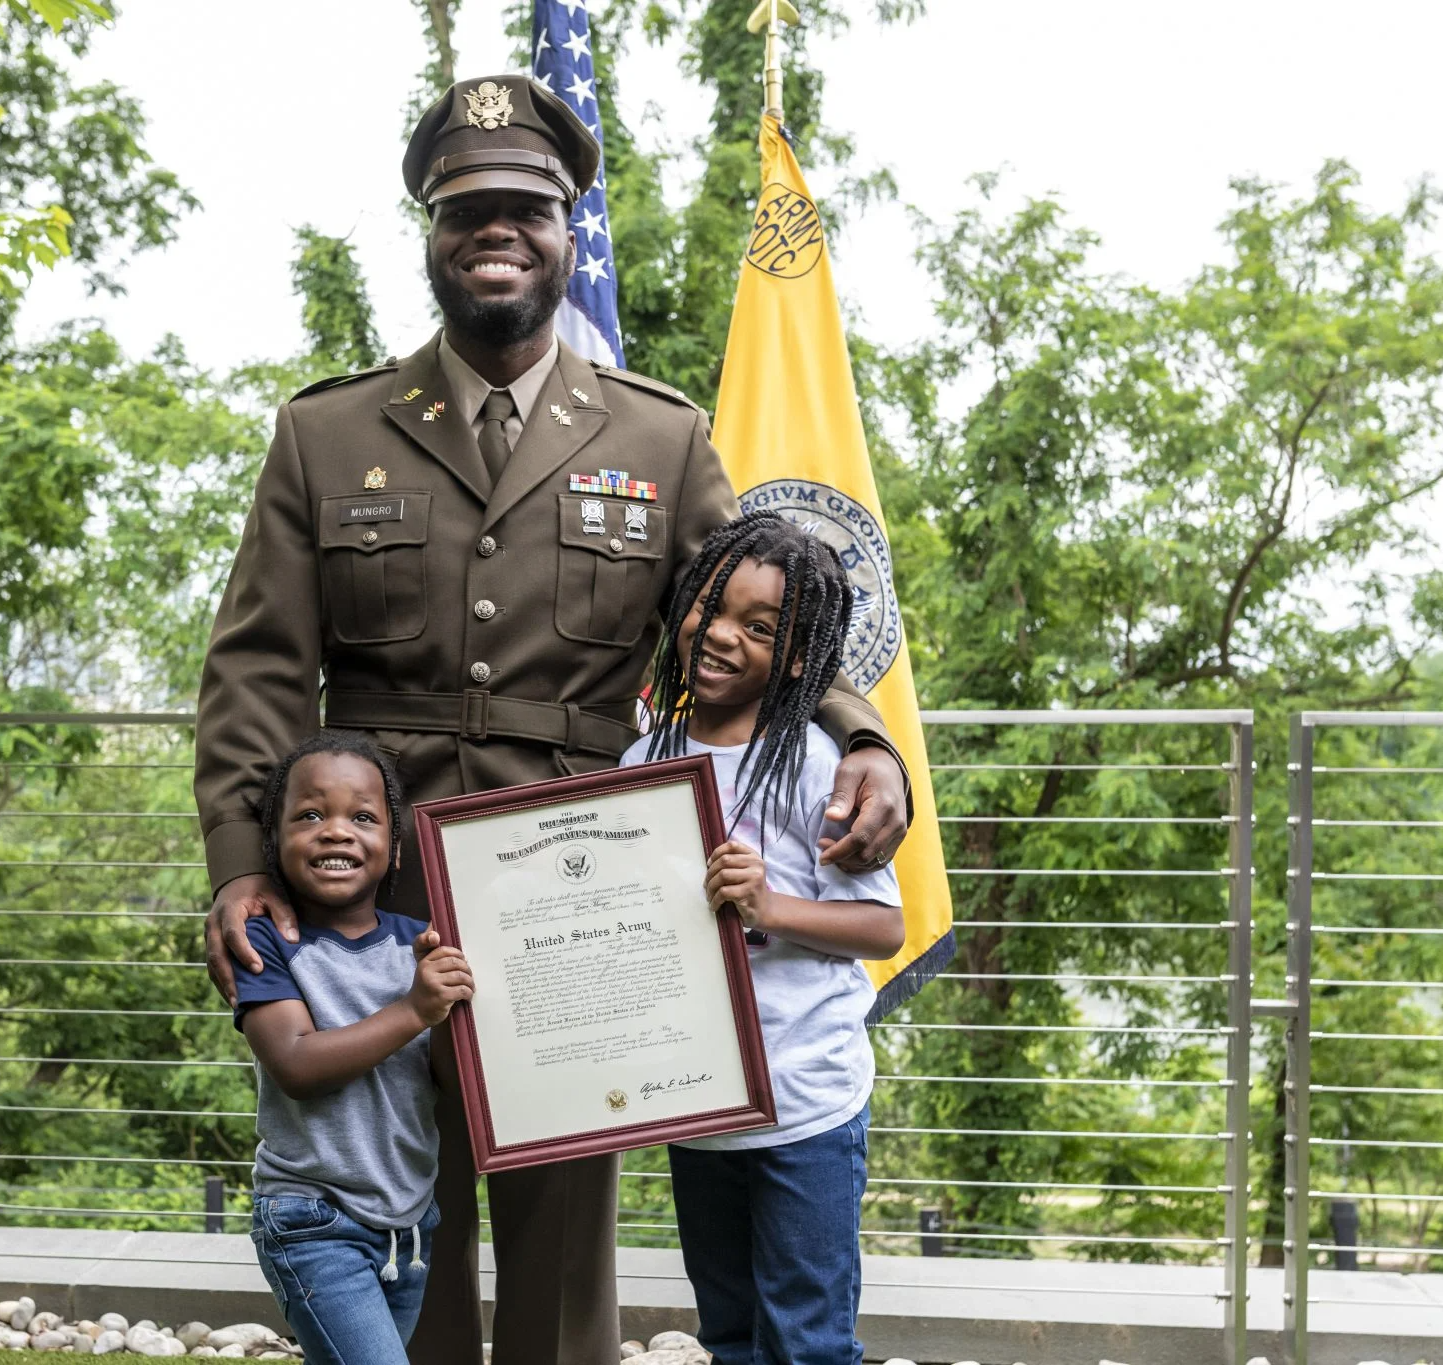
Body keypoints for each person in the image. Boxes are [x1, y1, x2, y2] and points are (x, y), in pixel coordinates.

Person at [194, 71, 915, 1364]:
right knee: (385, 1249)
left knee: (558, 1284)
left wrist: (866, 742)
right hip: (372, 909)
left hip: (581, 909)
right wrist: (244, 869)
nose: (497, 230)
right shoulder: (325, 434)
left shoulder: (659, 438)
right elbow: (256, 671)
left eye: (526, 207)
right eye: (466, 207)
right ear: (428, 229)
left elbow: (759, 614)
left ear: (569, 229)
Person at [621, 512, 905, 1365]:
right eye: (711, 605)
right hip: (699, 1107)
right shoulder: (643, 762)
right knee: (732, 1336)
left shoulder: (817, 762)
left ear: (800, 657)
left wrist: (770, 906)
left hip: (804, 1106)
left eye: (760, 626)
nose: (720, 634)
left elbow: (883, 926)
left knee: (808, 1340)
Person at [232, 730, 474, 1365]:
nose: (336, 831)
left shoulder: (417, 944)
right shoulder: (268, 945)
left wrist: (445, 1012)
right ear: (273, 843)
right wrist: (415, 1009)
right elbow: (296, 1065)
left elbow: (448, 1079)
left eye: (362, 817)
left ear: (393, 850)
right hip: (312, 1220)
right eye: (310, 814)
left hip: (408, 1227)